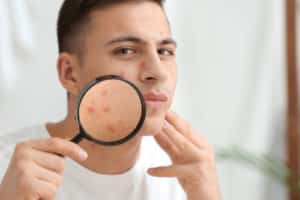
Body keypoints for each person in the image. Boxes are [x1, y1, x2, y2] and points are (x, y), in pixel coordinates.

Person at [0, 0, 221, 199]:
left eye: (164, 51)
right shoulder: (8, 171)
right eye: (126, 51)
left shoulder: (185, 178)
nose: (157, 72)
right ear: (69, 73)